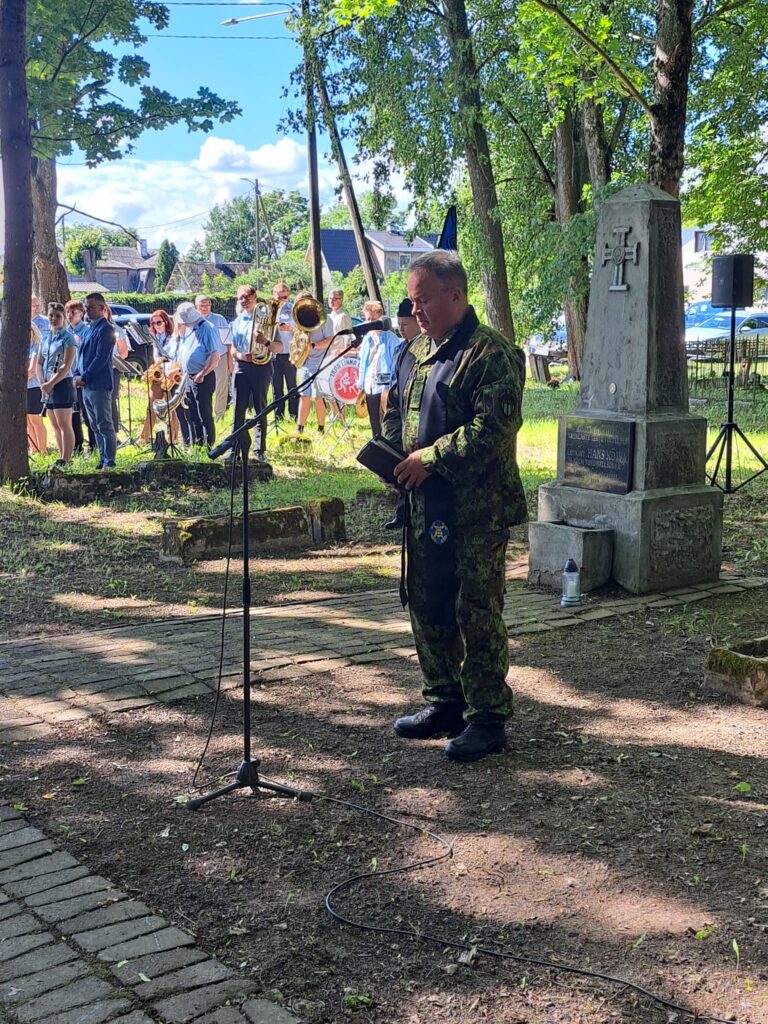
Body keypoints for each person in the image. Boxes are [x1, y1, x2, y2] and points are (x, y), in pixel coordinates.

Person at [381, 250, 527, 763]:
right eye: (412, 301)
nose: (414, 310)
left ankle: (487, 717)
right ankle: (445, 699)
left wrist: (431, 457)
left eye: (423, 300)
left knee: (475, 608)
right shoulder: (416, 352)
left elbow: (495, 427)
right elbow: (396, 413)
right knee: (426, 602)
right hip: (424, 506)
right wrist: (394, 462)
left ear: (456, 295)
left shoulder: (492, 354)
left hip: (475, 511)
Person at [229, 285, 281, 459]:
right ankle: (234, 449)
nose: (244, 300)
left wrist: (265, 341)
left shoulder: (267, 319)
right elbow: (232, 350)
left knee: (260, 408)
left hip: (262, 367)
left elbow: (279, 348)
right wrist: (242, 356)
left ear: (255, 296)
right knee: (238, 409)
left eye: (247, 296)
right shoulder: (236, 322)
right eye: (240, 298)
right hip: (242, 368)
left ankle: (260, 450)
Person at [384, 298, 421, 531]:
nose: (401, 329)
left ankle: (408, 513)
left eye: (405, 324)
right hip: (402, 422)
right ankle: (402, 513)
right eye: (399, 325)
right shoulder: (402, 349)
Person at [74, 293, 118, 470]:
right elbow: (82, 355)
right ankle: (102, 458)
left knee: (104, 423)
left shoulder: (105, 329)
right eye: (86, 307)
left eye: (91, 307)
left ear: (102, 308)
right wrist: (77, 374)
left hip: (98, 384)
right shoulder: (90, 328)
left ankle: (110, 460)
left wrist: (84, 377)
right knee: (93, 424)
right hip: (86, 384)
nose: (87, 311)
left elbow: (100, 358)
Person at [174, 302, 220, 447]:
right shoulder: (190, 329)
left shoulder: (207, 328)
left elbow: (215, 355)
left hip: (202, 377)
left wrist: (202, 373)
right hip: (189, 376)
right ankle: (197, 446)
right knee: (192, 414)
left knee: (204, 414)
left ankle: (209, 447)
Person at [37, 302, 78, 464]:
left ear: (64, 318)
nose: (54, 319)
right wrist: (42, 383)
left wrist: (51, 383)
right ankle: (61, 457)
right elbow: (40, 362)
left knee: (64, 423)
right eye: (51, 315)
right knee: (54, 424)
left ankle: (67, 459)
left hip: (62, 383)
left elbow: (66, 365)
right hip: (47, 384)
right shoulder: (46, 337)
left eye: (58, 316)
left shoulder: (68, 337)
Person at [357, 300, 402, 437]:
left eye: (373, 319)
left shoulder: (390, 338)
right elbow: (363, 362)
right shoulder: (367, 339)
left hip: (384, 385)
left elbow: (395, 362)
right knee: (374, 421)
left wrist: (390, 385)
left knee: (385, 419)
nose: (370, 322)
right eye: (368, 319)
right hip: (369, 383)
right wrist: (361, 382)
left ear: (379, 317)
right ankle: (375, 443)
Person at [294, 290, 335, 436]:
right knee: (304, 396)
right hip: (305, 362)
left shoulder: (325, 319)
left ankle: (320, 428)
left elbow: (330, 340)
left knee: (318, 397)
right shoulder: (298, 318)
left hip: (320, 362)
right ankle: (299, 429)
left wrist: (313, 346)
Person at [140, 309, 183, 445]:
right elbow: (156, 357)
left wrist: (168, 370)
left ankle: (174, 437)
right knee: (152, 405)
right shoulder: (155, 338)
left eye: (159, 322)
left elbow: (174, 358)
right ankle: (145, 436)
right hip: (158, 375)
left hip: (170, 374)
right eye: (153, 323)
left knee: (171, 407)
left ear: (166, 322)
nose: (156, 325)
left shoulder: (173, 338)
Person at [195, 294, 232, 420]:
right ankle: (205, 415)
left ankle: (220, 415)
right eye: (202, 305)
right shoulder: (193, 321)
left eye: (207, 305)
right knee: (204, 389)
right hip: (202, 360)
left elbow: (227, 341)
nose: (204, 308)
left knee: (221, 387)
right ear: (196, 307)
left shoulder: (219, 319)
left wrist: (229, 360)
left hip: (220, 357)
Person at [65, 300, 92, 454]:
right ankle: (77, 446)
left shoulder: (86, 331)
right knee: (73, 415)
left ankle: (93, 445)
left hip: (82, 379)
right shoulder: (66, 331)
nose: (70, 315)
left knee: (88, 415)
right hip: (69, 378)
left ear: (81, 314)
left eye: (73, 312)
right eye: (68, 312)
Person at [270, 281, 298, 425]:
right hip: (274, 354)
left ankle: (294, 416)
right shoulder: (268, 310)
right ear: (273, 295)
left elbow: (301, 331)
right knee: (276, 388)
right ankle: (278, 417)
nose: (282, 300)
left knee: (292, 386)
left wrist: (291, 329)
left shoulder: (293, 309)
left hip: (289, 353)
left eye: (285, 297)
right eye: (279, 297)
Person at [27, 321, 47, 456]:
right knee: (28, 421)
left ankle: (43, 451)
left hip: (33, 387)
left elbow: (32, 370)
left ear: (34, 332)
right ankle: (34, 449)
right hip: (24, 389)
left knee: (36, 420)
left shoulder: (36, 347)